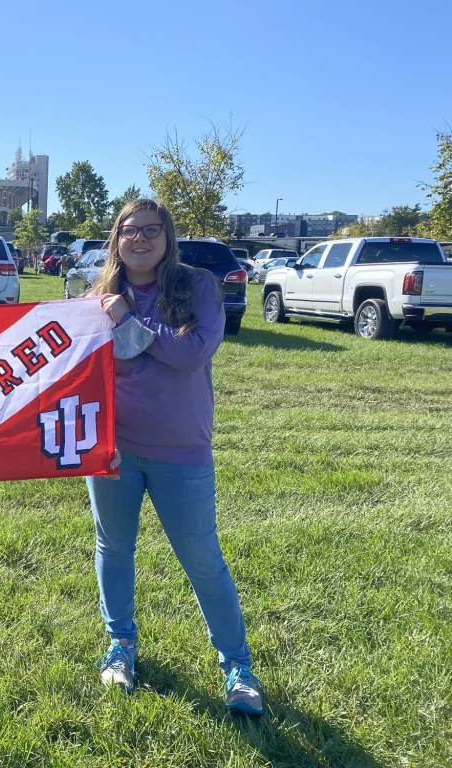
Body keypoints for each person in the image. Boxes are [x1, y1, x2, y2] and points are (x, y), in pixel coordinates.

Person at [87, 198, 263, 716]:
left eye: (150, 229)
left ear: (168, 237)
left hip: (182, 448)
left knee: (203, 560)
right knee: (114, 548)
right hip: (113, 448)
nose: (138, 238)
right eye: (128, 230)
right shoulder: (98, 297)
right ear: (116, 239)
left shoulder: (197, 287)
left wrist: (129, 322)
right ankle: (121, 644)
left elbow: (191, 354)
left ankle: (237, 667)